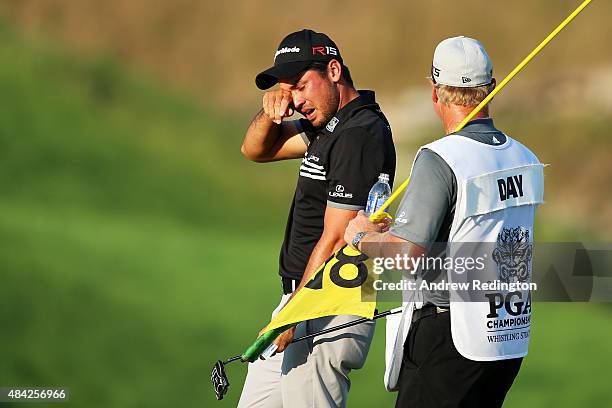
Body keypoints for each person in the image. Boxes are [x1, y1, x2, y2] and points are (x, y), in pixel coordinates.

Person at [344, 36, 544, 408]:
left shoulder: (441, 158)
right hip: (507, 334)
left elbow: (407, 255)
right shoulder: (526, 158)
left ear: (435, 92)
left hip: (450, 334)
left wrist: (360, 237)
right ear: (492, 88)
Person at [239, 29, 396, 408]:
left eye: (301, 85)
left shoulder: (359, 134)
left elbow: (336, 235)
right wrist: (270, 109)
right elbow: (255, 150)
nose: (296, 98)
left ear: (334, 70)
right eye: (288, 89)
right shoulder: (329, 127)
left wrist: (297, 311)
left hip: (327, 302)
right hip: (302, 297)